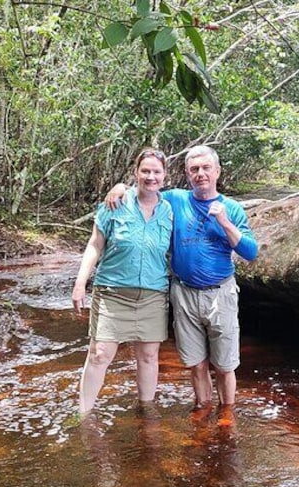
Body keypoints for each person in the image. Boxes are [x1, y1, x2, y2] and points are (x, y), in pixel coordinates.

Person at [106, 145, 258, 415]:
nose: (200, 174)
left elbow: (250, 252)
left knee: (224, 365)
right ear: (187, 174)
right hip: (184, 294)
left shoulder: (231, 208)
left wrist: (224, 221)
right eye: (194, 169)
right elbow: (147, 188)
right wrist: (120, 187)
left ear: (217, 171)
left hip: (220, 294)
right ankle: (202, 409)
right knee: (196, 364)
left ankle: (226, 419)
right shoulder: (176, 199)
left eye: (206, 168)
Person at [72, 148, 173, 416]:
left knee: (149, 356)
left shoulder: (170, 210)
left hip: (152, 295)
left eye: (156, 172)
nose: (151, 177)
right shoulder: (114, 204)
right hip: (112, 292)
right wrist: (80, 283)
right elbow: (95, 244)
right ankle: (83, 414)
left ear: (165, 176)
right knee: (100, 354)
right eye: (145, 171)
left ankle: (146, 410)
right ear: (135, 174)